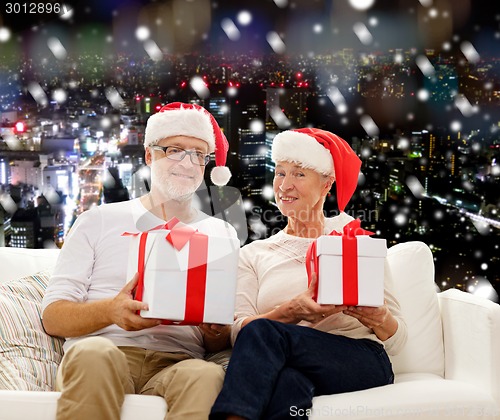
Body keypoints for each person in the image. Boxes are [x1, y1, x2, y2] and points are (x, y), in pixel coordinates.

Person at [42, 102, 236, 420]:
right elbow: (53, 318)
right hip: (105, 350)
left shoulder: (221, 233)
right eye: (175, 150)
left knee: (207, 376)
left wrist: (214, 329)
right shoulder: (98, 220)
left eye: (199, 154)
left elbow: (218, 342)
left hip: (177, 361)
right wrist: (111, 311)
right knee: (94, 353)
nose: (188, 163)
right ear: (149, 155)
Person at [210, 128, 408, 420]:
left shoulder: (355, 243)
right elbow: (239, 333)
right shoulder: (253, 254)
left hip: (359, 360)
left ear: (327, 184)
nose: (285, 185)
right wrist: (292, 311)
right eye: (280, 173)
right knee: (289, 383)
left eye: (299, 174)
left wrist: (380, 318)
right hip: (289, 363)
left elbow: (399, 339)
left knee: (264, 333)